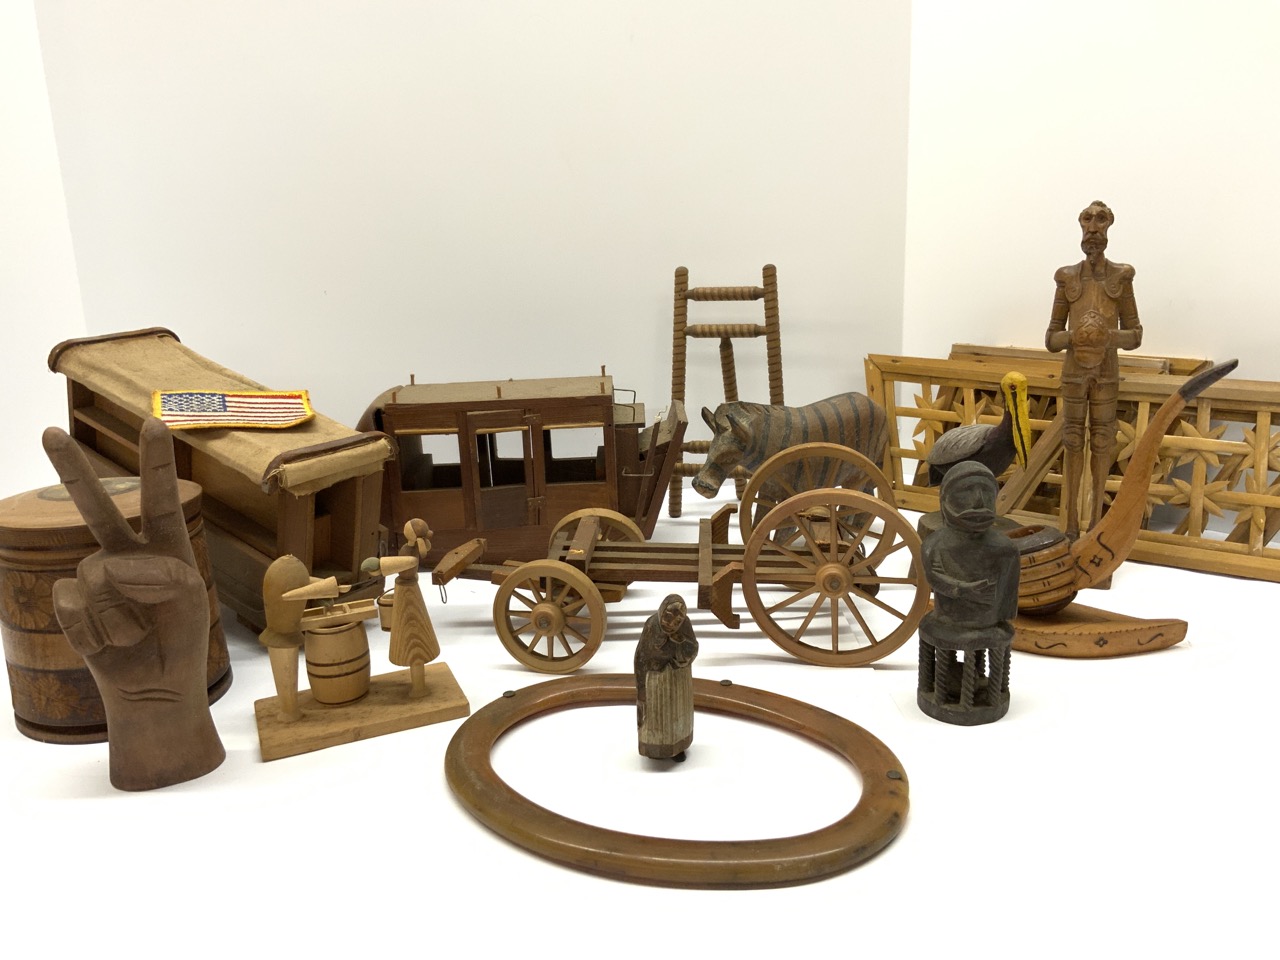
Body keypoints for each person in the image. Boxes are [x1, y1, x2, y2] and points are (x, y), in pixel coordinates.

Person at [1045, 200, 1143, 538]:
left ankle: (1096, 526)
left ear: (1109, 225)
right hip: (1074, 372)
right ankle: (1070, 526)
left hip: (1106, 372)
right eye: (1087, 219)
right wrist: (1077, 336)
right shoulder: (1067, 277)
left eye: (1100, 219)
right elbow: (1052, 337)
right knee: (1072, 441)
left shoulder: (1121, 276)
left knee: (1102, 441)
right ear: (1080, 225)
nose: (1093, 227)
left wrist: (1105, 336)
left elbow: (1135, 335)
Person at [634, 594, 699, 761]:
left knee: (678, 715)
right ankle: (654, 748)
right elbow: (642, 655)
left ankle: (678, 747)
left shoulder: (685, 625)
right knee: (656, 717)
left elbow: (692, 648)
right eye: (667, 618)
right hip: (656, 680)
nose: (671, 624)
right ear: (661, 612)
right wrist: (641, 687)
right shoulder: (651, 625)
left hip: (678, 680)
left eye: (677, 622)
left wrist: (680, 643)